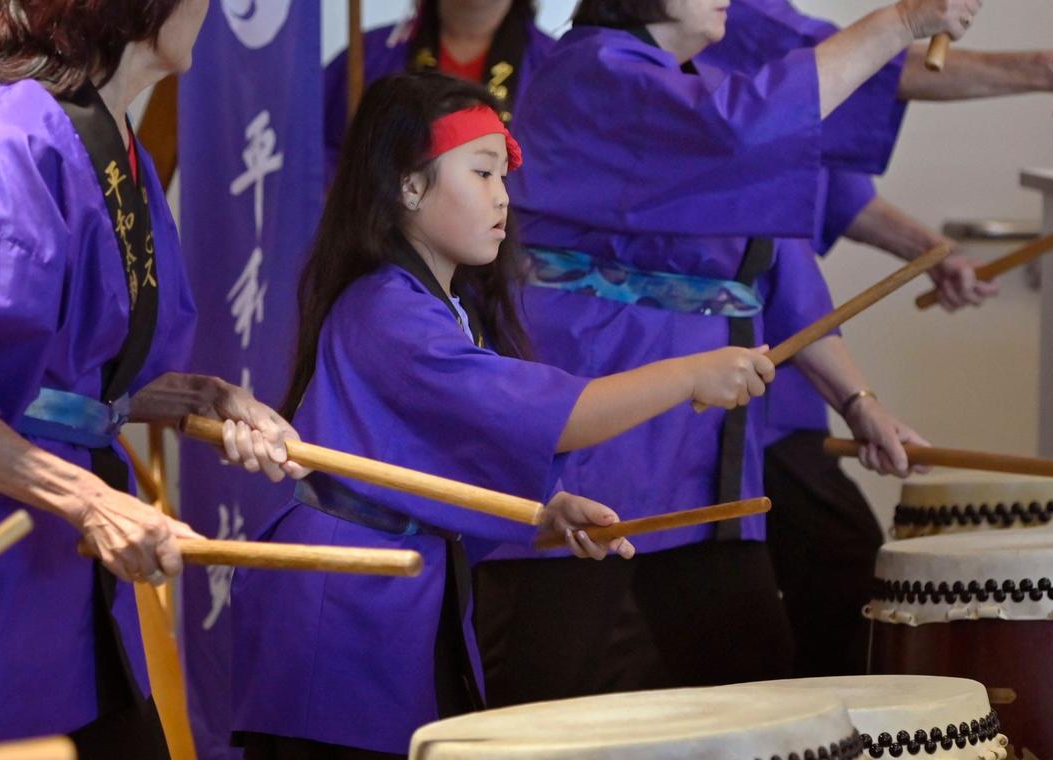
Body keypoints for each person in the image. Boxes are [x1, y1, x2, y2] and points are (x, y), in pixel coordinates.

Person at [231, 71, 780, 759]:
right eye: (483, 173)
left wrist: (542, 510)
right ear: (408, 187)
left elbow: (444, 447)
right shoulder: (388, 308)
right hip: (340, 598)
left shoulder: (429, 305)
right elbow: (550, 413)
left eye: (504, 178)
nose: (503, 199)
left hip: (388, 589)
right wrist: (691, 372)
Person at [471, 0, 961, 707]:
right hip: (596, 432)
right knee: (558, 696)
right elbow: (737, 125)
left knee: (750, 676)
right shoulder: (591, 72)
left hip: (702, 454)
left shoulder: (689, 85)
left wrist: (861, 405)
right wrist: (901, 22)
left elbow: (778, 278)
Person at [701, 0, 1053, 677]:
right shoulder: (675, 44)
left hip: (767, 374)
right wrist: (1049, 68)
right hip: (693, 386)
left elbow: (810, 182)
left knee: (835, 572)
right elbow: (869, 73)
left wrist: (930, 250)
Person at [0, 1, 303, 755]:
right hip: (2, 544)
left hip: (66, 555)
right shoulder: (9, 138)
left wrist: (209, 401)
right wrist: (90, 502)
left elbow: (69, 379)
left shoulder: (109, 138)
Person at [324, 0, 555, 170]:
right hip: (381, 232)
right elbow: (310, 156)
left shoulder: (556, 68)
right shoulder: (367, 56)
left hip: (511, 233)